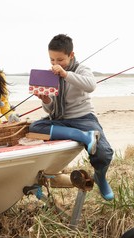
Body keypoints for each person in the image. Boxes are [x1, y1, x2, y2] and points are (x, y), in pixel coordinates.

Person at [29, 34, 114, 201]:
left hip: (83, 118)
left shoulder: (81, 70)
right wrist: (45, 100)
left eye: (60, 60)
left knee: (103, 153)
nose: (55, 64)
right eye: (52, 60)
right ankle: (82, 136)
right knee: (34, 128)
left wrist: (65, 74)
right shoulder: (51, 74)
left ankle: (100, 177)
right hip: (60, 119)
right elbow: (50, 108)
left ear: (71, 55)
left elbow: (91, 85)